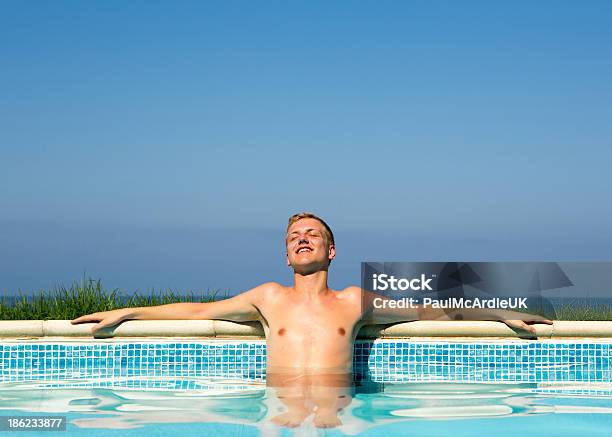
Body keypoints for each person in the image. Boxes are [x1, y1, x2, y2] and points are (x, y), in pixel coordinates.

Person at [71, 212, 552, 428]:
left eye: (313, 235)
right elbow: (198, 311)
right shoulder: (268, 297)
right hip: (272, 412)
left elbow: (430, 311)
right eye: (294, 236)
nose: (302, 240)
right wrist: (127, 311)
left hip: (343, 414)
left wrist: (500, 312)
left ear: (331, 250)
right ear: (286, 254)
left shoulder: (354, 301)